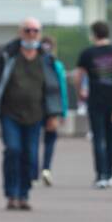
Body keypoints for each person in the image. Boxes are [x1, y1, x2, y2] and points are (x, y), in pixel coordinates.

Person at [0, 18, 65, 211]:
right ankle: (12, 193)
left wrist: (54, 114)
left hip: (35, 115)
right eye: (28, 30)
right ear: (20, 33)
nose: (32, 34)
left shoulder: (46, 59)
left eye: (35, 31)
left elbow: (53, 89)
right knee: (13, 150)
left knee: (30, 154)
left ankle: (24, 194)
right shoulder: (7, 56)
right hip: (10, 113)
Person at [74, 21, 112, 188]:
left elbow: (78, 76)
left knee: (98, 137)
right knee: (111, 138)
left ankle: (100, 175)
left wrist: (80, 92)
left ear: (94, 34)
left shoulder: (87, 53)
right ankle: (111, 174)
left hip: (95, 99)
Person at [37, 36, 69, 187]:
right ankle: (46, 169)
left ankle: (32, 171)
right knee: (50, 140)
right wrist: (63, 110)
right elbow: (62, 89)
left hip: (35, 108)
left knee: (33, 141)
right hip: (52, 108)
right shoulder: (56, 65)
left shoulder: (34, 64)